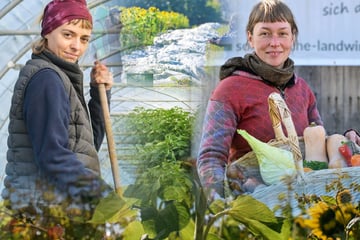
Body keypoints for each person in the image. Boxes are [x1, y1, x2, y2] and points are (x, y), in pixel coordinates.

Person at [197, 0, 360, 200]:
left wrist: (345, 142)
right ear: (250, 37)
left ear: (292, 37)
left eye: (282, 33)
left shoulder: (302, 90)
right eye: (265, 33)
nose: (275, 43)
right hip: (254, 202)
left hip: (304, 203)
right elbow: (210, 157)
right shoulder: (229, 90)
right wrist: (219, 203)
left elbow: (316, 146)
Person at [2, 0, 113, 223]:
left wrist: (100, 96)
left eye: (84, 39)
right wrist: (104, 198)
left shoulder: (61, 77)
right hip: (40, 216)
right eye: (68, 34)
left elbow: (83, 148)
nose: (76, 46)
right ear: (48, 32)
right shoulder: (47, 79)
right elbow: (52, 156)